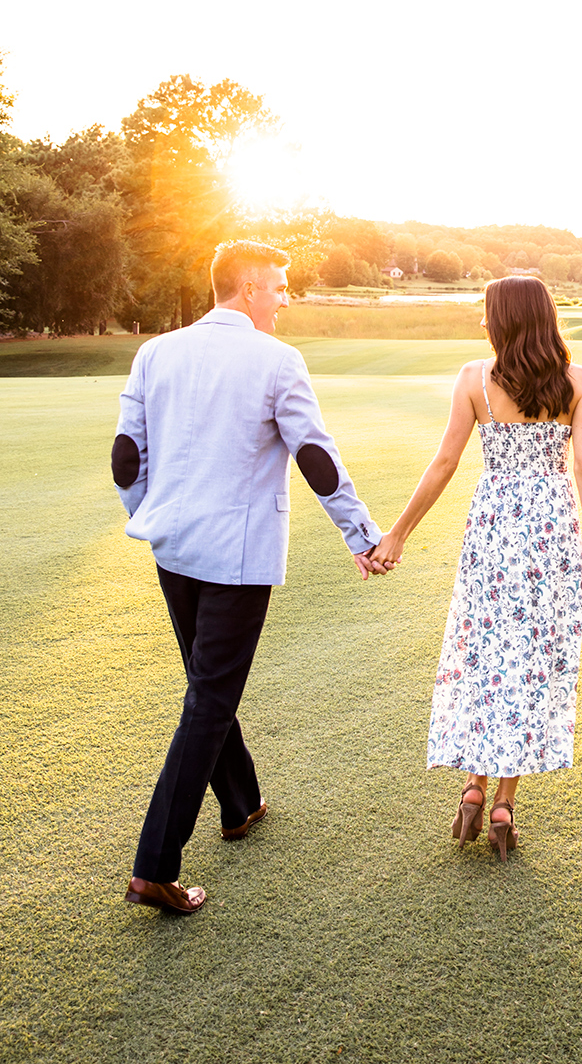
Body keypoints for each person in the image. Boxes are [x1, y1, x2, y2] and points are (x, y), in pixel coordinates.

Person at [112, 240, 390, 914]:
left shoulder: (155, 352)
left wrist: (152, 516)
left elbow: (126, 456)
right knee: (208, 699)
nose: (284, 299)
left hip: (171, 547)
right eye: (278, 288)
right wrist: (362, 534)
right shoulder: (277, 360)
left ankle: (239, 804)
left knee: (208, 687)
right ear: (246, 289)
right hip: (235, 559)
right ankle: (154, 867)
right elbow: (315, 455)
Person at [370, 276, 582, 860]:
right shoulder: (576, 383)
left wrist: (397, 534)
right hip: (552, 533)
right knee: (530, 659)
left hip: (494, 531)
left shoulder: (474, 379)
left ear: (503, 321)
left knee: (483, 652)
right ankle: (504, 802)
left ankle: (472, 787)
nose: (481, 322)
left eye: (486, 314)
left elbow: (446, 461)